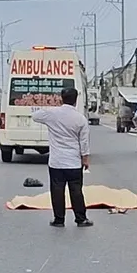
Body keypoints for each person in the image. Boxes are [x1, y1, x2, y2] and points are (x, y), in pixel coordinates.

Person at [32, 87, 93, 228]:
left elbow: (35, 116)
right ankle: (81, 218)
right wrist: (85, 158)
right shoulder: (80, 119)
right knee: (76, 191)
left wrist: (50, 108)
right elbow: (84, 141)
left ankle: (59, 219)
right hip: (74, 162)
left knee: (57, 191)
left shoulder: (52, 114)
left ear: (61, 98)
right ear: (76, 100)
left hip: (56, 161)